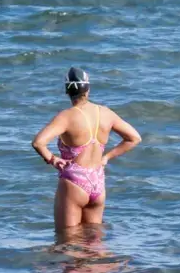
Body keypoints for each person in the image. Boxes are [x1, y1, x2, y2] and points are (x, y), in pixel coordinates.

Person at [32, 68, 141, 230]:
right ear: (87, 89)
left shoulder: (66, 116)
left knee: (67, 238)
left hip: (74, 182)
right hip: (98, 181)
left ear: (67, 91)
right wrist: (106, 157)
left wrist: (53, 159)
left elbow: (38, 142)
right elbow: (134, 138)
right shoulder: (106, 113)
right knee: (94, 237)